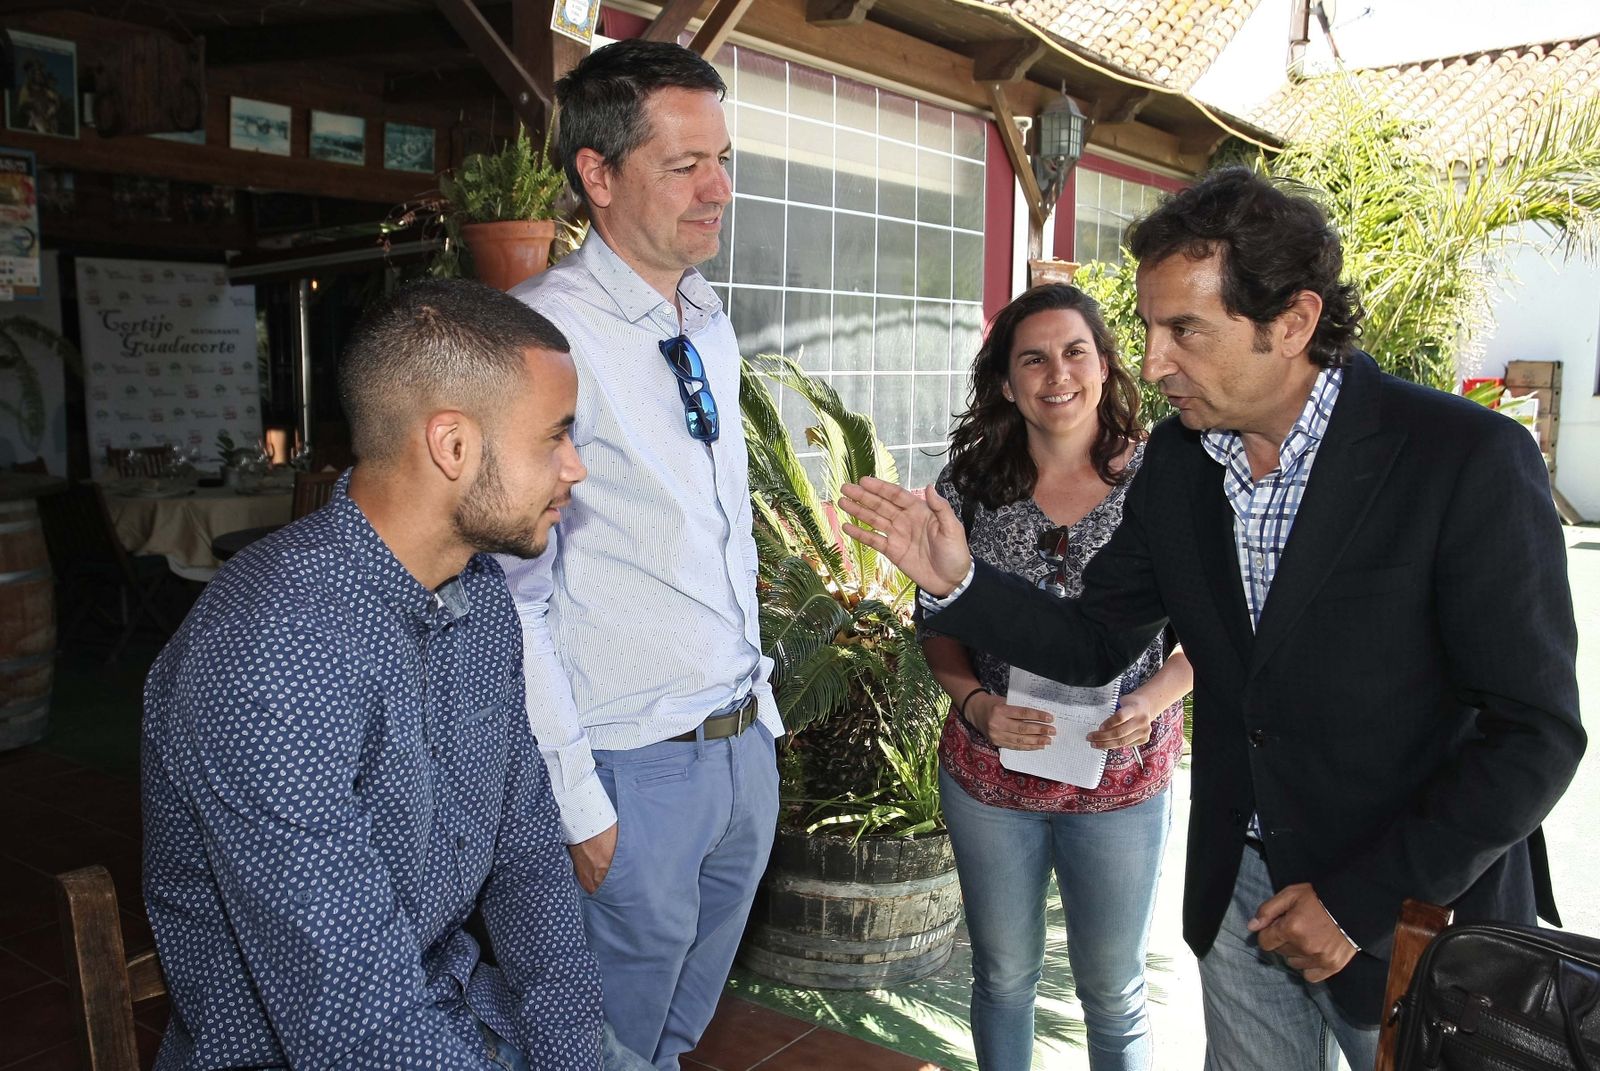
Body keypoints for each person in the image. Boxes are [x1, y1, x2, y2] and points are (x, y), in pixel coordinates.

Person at [839, 166, 1584, 1071]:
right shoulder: (1182, 468)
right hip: (1240, 894)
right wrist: (960, 581)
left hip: (1411, 916)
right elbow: (1095, 642)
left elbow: (1533, 733)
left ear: (1293, 323)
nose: (1151, 363)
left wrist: (1359, 901)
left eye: (1184, 329)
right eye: (1150, 329)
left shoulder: (1462, 458)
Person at [141, 279, 639, 1070]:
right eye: (555, 436)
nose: (575, 468)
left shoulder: (478, 596)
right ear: (453, 445)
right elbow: (355, 1017)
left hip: (461, 1018)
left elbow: (530, 865)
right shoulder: (274, 647)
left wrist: (571, 1056)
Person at [498, 39, 781, 1070]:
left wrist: (762, 740)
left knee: (670, 1042)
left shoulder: (707, 323)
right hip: (630, 771)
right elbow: (511, 598)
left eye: (722, 158)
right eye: (684, 165)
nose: (719, 189)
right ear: (598, 174)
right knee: (602, 1051)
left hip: (741, 753)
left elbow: (713, 536)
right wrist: (578, 802)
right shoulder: (540, 339)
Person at [921, 284, 1193, 1071]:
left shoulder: (1163, 484)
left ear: (1106, 366)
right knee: (1003, 977)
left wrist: (1150, 698)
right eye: (1032, 358)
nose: (1057, 373)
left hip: (1121, 780)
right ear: (1006, 383)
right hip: (989, 783)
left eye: (1075, 351)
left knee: (1113, 992)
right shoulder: (966, 488)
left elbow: (1213, 633)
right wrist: (976, 705)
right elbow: (938, 626)